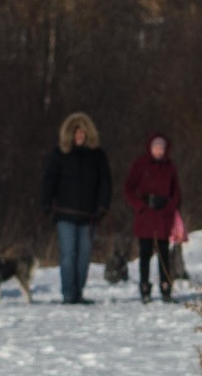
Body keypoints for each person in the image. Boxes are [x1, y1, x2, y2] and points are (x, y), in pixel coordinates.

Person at [40, 111, 111, 305]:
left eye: (82, 133)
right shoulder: (59, 154)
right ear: (70, 134)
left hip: (89, 215)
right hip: (65, 214)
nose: (79, 136)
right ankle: (68, 294)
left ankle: (78, 291)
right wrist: (46, 201)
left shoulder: (97, 156)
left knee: (84, 257)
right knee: (68, 256)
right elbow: (50, 178)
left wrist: (103, 206)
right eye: (76, 133)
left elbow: (105, 182)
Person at [123, 134, 183, 303]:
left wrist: (170, 207)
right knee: (145, 253)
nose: (158, 151)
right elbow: (128, 188)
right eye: (156, 147)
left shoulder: (169, 167)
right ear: (150, 148)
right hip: (146, 215)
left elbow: (176, 192)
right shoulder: (141, 164)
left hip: (164, 215)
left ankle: (165, 287)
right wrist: (140, 206)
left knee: (164, 253)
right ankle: (144, 287)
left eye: (161, 148)